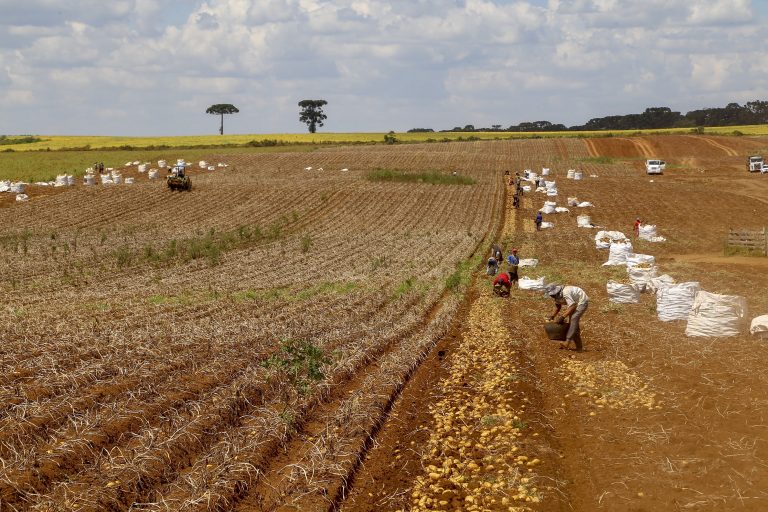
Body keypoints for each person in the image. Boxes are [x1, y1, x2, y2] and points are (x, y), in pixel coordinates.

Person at [545, 284, 589, 351]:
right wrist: (552, 316)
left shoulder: (565, 292)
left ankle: (567, 342)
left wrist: (562, 317)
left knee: (574, 319)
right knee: (573, 324)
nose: (552, 296)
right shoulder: (556, 296)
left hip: (582, 301)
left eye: (552, 295)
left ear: (556, 292)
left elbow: (573, 306)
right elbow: (558, 307)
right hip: (574, 303)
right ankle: (579, 347)